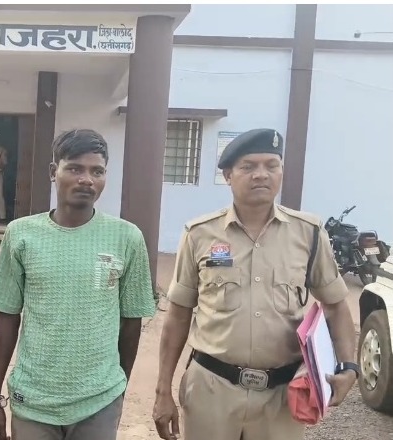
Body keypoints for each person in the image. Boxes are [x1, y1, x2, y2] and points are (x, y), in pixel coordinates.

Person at [152, 128, 358, 440]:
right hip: (212, 390)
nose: (261, 174)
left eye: (271, 165)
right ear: (228, 175)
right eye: (248, 166)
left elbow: (336, 306)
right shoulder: (199, 234)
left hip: (281, 396)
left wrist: (349, 367)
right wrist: (162, 390)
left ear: (281, 171)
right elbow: (178, 316)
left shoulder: (309, 233)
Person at [0, 128, 156, 440]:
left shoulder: (127, 237)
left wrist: (117, 388)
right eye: (75, 168)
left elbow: (131, 322)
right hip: (33, 401)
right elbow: (7, 316)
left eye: (97, 171)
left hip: (99, 401)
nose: (87, 180)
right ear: (54, 171)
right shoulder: (21, 234)